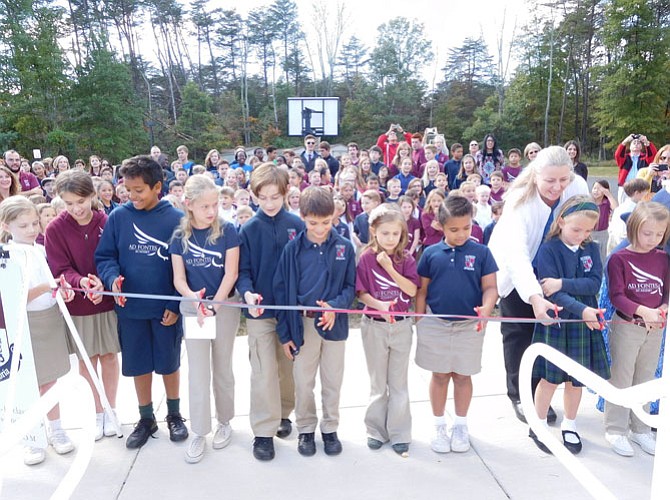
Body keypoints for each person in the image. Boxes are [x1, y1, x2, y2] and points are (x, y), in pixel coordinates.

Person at [488, 146, 589, 424]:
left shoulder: (577, 185)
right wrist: (534, 297)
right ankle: (519, 394)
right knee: (518, 333)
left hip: (551, 269)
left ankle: (539, 394)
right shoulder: (519, 202)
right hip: (516, 269)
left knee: (546, 336)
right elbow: (516, 256)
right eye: (550, 180)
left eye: (563, 180)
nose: (558, 187)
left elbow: (584, 223)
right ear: (535, 175)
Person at [95, 155, 187, 449]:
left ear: (157, 186)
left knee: (169, 363)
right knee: (138, 364)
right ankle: (145, 418)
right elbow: (105, 257)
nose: (131, 196)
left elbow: (184, 267)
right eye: (128, 190)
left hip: (165, 312)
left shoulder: (175, 219)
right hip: (130, 310)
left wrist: (174, 305)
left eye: (139, 190)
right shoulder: (119, 217)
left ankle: (174, 414)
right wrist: (112, 279)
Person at [273, 187, 356, 457]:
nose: (320, 229)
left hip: (334, 325)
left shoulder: (344, 246)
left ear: (334, 215)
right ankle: (306, 429)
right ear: (303, 217)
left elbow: (350, 286)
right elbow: (282, 293)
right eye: (313, 223)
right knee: (303, 380)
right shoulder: (292, 249)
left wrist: (335, 306)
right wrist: (286, 334)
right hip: (303, 325)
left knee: (333, 380)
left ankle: (330, 428)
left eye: (325, 222)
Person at [416, 195, 498, 453]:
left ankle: (460, 425)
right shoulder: (430, 253)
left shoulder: (482, 252)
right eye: (454, 229)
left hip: (469, 326)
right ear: (440, 226)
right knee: (439, 375)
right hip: (436, 323)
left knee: (463, 375)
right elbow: (421, 291)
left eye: (466, 227)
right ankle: (439, 424)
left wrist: (486, 308)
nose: (461, 234)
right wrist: (419, 321)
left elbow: (490, 288)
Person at [528, 196, 609, 454]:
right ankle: (537, 423)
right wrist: (582, 308)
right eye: (576, 229)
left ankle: (570, 425)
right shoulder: (548, 249)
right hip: (558, 321)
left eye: (587, 230)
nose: (581, 235)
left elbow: (594, 284)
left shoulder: (591, 248)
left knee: (576, 380)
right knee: (550, 379)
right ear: (561, 221)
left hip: (583, 324)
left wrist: (562, 282)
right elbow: (550, 294)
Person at [45, 170, 121, 441]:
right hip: (78, 304)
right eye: (68, 203)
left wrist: (103, 282)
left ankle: (112, 410)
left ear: (92, 195)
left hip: (107, 303)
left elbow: (114, 257)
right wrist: (82, 283)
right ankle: (98, 412)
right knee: (87, 361)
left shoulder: (107, 221)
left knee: (110, 356)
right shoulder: (55, 228)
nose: (75, 208)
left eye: (80, 201)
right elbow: (60, 267)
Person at [169, 175, 240, 464]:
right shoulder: (178, 236)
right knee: (198, 372)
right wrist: (195, 299)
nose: (212, 211)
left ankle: (225, 421)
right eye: (205, 206)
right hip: (194, 310)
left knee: (223, 366)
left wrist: (214, 304)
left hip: (224, 307)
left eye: (215, 205)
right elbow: (178, 279)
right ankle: (200, 430)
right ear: (189, 205)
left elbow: (231, 273)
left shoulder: (229, 230)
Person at [0, 197, 76, 465]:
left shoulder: (41, 249)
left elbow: (53, 282)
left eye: (34, 223)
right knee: (27, 385)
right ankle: (32, 438)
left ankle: (56, 429)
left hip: (49, 319)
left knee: (50, 381)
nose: (32, 229)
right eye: (24, 225)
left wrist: (60, 289)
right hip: (24, 324)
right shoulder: (6, 257)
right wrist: (47, 287)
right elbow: (15, 297)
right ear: (7, 226)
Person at [237, 163, 304, 461]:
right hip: (260, 313)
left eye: (275, 197)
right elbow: (243, 271)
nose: (269, 203)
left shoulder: (297, 225)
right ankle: (264, 432)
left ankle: (284, 413)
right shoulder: (249, 228)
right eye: (263, 198)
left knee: (287, 369)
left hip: (290, 312)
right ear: (254, 197)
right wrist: (248, 292)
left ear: (286, 193)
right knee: (263, 371)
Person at [604, 201, 669, 457]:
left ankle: (640, 428)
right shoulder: (619, 258)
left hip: (656, 328)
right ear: (633, 228)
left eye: (659, 233)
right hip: (627, 326)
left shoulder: (663, 258)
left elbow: (666, 291)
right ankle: (615, 429)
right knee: (622, 377)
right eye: (647, 232)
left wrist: (663, 308)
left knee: (645, 378)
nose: (653, 239)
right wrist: (643, 311)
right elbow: (617, 296)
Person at [356, 204, 420, 456]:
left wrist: (391, 268)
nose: (390, 239)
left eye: (395, 233)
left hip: (401, 326)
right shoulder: (366, 258)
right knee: (377, 382)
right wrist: (379, 304)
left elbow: (412, 291)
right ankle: (375, 430)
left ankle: (399, 432)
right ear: (374, 231)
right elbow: (361, 292)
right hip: (374, 326)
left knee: (398, 382)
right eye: (385, 233)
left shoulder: (406, 259)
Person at [615, 134, 657, 203]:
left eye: (638, 143)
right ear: (630, 147)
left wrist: (647, 143)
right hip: (625, 186)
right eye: (634, 143)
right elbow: (618, 155)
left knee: (641, 207)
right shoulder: (625, 158)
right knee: (624, 207)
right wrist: (625, 142)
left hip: (641, 187)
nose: (636, 144)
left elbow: (653, 155)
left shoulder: (644, 158)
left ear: (641, 147)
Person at [590, 179, 617, 264]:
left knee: (602, 255)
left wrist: (608, 195)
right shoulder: (589, 201)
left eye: (599, 189)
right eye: (594, 188)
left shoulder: (607, 202)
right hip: (590, 232)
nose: (596, 191)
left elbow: (616, 209)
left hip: (603, 232)